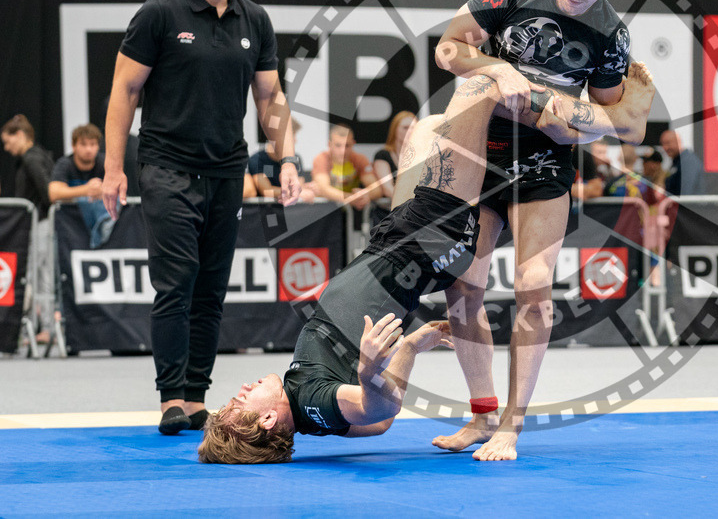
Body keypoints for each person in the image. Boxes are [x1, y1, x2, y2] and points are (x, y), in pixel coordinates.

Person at [197, 72, 592, 463]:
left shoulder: (312, 413)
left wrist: (410, 346)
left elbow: (377, 426)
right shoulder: (311, 398)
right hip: (425, 240)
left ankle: (484, 414)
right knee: (479, 89)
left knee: (427, 127)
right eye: (239, 401)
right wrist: (371, 371)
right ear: (267, 418)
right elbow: (378, 410)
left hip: (396, 241)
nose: (243, 388)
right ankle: (601, 126)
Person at [430, 0, 655, 461]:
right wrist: (496, 69)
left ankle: (512, 423)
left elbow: (618, 117)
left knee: (534, 284)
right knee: (464, 286)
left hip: (545, 159)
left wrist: (572, 114)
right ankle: (481, 414)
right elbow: (448, 50)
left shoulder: (610, 33)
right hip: (480, 148)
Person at [102, 0, 303, 436]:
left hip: (226, 171)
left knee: (212, 288)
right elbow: (124, 91)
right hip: (167, 166)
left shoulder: (253, 20)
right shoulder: (159, 14)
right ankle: (170, 397)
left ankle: (195, 398)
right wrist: (112, 167)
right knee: (176, 283)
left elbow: (270, 98)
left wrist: (286, 159)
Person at [1, 114, 56, 343]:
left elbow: (48, 193)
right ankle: (42, 327)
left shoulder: (32, 160)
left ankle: (44, 328)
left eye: (8, 141)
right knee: (39, 277)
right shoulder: (34, 157)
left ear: (20, 135)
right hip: (39, 225)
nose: (6, 147)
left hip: (40, 226)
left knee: (38, 276)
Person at [48, 123, 113, 249]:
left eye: (93, 144)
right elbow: (54, 193)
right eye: (83, 144)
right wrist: (87, 190)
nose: (88, 149)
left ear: (98, 146)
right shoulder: (65, 164)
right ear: (74, 146)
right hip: (72, 228)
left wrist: (103, 189)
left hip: (103, 228)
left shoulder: (105, 163)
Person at [312, 124, 380, 210]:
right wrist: (350, 198)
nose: (342, 151)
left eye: (347, 145)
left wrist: (365, 195)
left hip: (353, 210)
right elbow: (323, 188)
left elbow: (376, 188)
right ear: (329, 144)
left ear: (353, 144)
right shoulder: (322, 159)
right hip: (327, 212)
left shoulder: (359, 159)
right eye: (338, 145)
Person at [248, 119, 317, 203]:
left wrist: (308, 188)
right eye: (292, 135)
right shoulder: (257, 159)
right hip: (265, 211)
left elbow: (299, 185)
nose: (295, 140)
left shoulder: (295, 158)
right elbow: (266, 191)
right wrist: (294, 192)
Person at [660, 129, 705, 196]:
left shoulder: (688, 161)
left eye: (668, 143)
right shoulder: (677, 161)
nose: (665, 147)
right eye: (662, 144)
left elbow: (686, 193)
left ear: (678, 142)